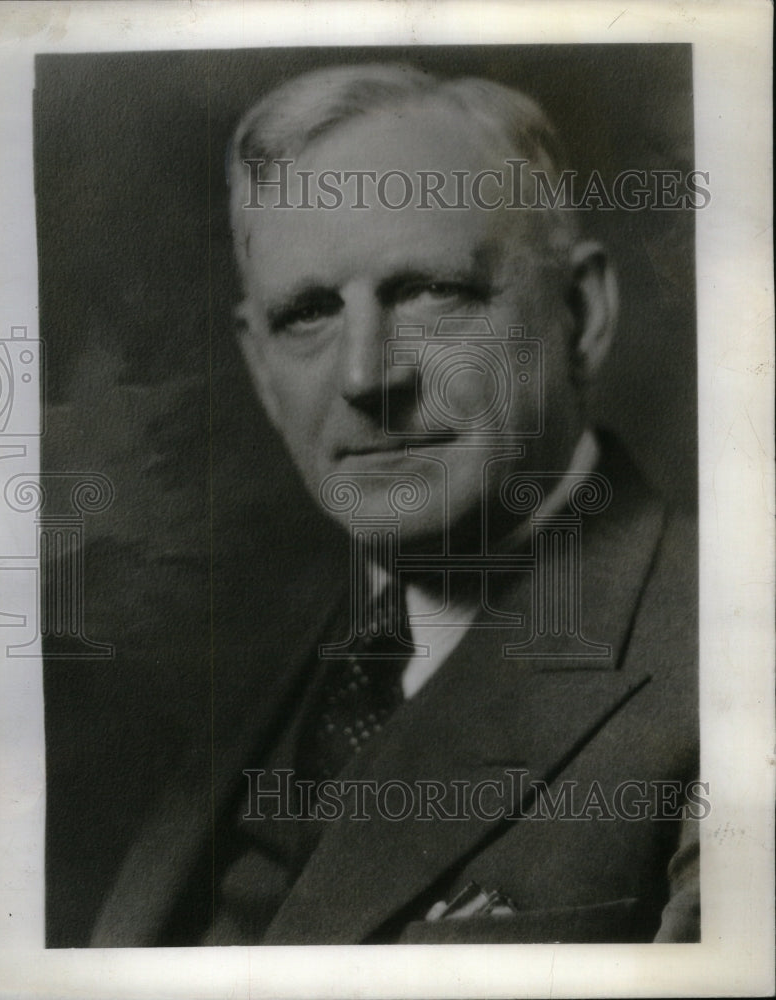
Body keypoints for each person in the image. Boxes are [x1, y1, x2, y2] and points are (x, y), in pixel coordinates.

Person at [85, 63, 699, 946]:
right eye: (307, 313)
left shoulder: (728, 654)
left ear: (579, 312)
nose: (368, 376)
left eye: (429, 291)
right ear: (259, 367)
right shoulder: (276, 664)